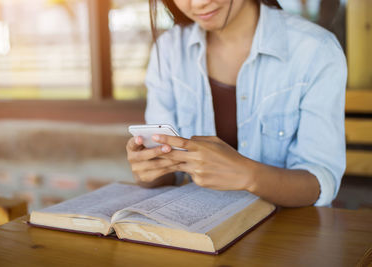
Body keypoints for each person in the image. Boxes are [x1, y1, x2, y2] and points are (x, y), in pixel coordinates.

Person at [126, 0, 347, 207]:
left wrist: (249, 176)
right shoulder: (168, 51)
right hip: (200, 231)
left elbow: (321, 181)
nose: (198, 3)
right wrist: (149, 171)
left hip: (287, 233)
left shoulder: (316, 50)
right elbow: (168, 172)